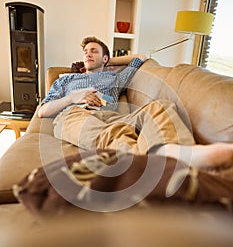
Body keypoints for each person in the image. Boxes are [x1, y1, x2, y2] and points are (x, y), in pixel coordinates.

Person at [38, 36, 233, 171]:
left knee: (161, 107)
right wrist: (72, 98)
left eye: (94, 51)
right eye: (85, 52)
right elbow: (43, 111)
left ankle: (171, 151)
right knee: (114, 135)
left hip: (113, 116)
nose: (87, 54)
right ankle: (175, 164)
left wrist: (107, 62)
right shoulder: (66, 80)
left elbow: (140, 58)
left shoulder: (114, 78)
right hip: (76, 115)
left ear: (105, 58)